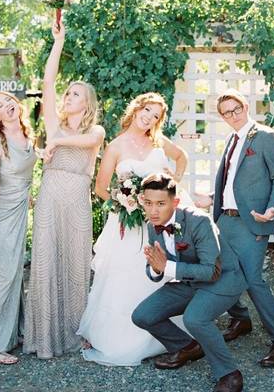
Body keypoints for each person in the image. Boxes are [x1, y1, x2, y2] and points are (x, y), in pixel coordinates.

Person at [78, 92, 190, 366]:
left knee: (160, 270)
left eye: (155, 116)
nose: (149, 118)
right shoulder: (115, 146)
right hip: (129, 223)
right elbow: (101, 189)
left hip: (158, 220)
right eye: (147, 111)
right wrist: (127, 202)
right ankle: (125, 338)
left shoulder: (158, 142)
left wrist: (172, 186)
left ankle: (168, 336)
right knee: (127, 275)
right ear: (136, 108)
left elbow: (182, 157)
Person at [24, 20, 104, 359]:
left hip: (76, 197)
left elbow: (85, 142)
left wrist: (57, 142)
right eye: (68, 92)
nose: (68, 96)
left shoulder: (96, 130)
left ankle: (75, 333)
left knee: (74, 261)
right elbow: (47, 82)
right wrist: (58, 42)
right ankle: (44, 336)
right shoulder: (53, 122)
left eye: (75, 94)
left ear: (86, 104)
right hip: (51, 193)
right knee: (44, 257)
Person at [132, 173, 248, 392]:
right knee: (142, 315)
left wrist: (166, 267)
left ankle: (229, 373)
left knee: (194, 318)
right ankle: (187, 347)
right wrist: (156, 268)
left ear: (175, 202)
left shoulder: (199, 221)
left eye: (160, 204)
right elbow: (157, 265)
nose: (153, 211)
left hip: (223, 280)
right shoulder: (151, 226)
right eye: (148, 203)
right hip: (189, 281)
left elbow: (211, 271)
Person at [202, 88, 274, 368]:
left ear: (245, 107)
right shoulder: (232, 139)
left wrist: (272, 209)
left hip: (252, 220)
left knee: (253, 280)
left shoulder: (265, 137)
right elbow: (230, 184)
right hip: (224, 219)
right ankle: (241, 319)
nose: (232, 116)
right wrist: (209, 202)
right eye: (226, 113)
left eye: (236, 109)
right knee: (217, 272)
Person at [0, 91, 36, 365]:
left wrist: (30, 196)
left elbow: (24, 174)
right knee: (2, 278)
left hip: (21, 210)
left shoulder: (27, 133)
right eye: (0, 106)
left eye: (8, 101)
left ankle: (15, 333)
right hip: (1, 215)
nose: (7, 107)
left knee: (15, 273)